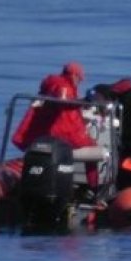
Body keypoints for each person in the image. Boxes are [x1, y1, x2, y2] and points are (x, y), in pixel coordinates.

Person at [11, 61, 99, 189]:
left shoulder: (51, 84)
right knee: (94, 151)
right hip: (65, 134)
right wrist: (84, 101)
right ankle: (94, 188)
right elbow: (64, 102)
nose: (78, 82)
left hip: (48, 133)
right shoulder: (64, 86)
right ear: (74, 76)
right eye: (79, 79)